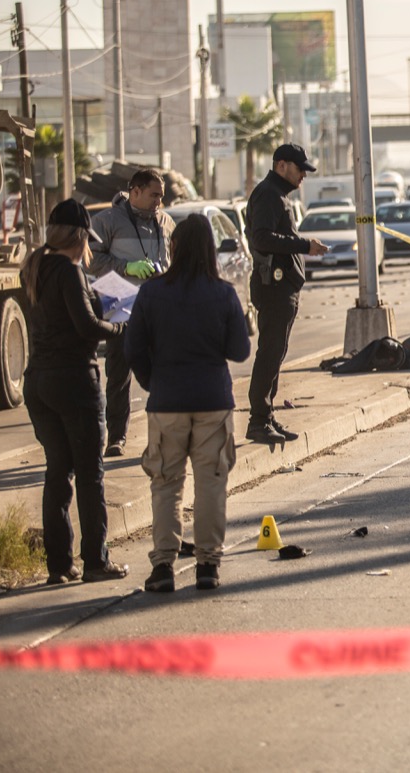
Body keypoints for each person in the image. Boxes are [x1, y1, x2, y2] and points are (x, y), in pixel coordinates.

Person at [125, 214, 251, 593]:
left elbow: (133, 348)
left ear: (174, 248)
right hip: (213, 399)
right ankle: (208, 565)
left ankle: (163, 565)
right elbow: (241, 350)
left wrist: (153, 382)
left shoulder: (151, 292)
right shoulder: (224, 293)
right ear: (211, 250)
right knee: (211, 482)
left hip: (167, 401)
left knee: (166, 484)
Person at [21, 199, 130, 585]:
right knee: (89, 474)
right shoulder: (68, 272)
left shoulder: (34, 268)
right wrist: (120, 327)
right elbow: (86, 327)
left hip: (38, 382)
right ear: (82, 237)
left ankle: (59, 565)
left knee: (58, 471)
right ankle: (95, 562)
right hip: (74, 381)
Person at [244, 143, 327, 444]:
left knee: (276, 353)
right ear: (281, 165)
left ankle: (266, 416)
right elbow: (262, 238)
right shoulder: (268, 194)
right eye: (299, 168)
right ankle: (258, 420)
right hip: (273, 287)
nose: (303, 174)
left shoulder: (278, 195)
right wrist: (305, 246)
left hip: (283, 287)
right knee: (269, 353)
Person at [89, 168, 175, 457]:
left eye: (161, 197)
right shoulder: (107, 221)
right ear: (135, 191)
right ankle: (116, 437)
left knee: (163, 374)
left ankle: (163, 434)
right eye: (154, 195)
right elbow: (90, 259)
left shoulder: (165, 222)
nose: (158, 203)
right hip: (121, 308)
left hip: (158, 310)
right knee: (118, 375)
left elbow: (174, 259)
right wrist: (125, 267)